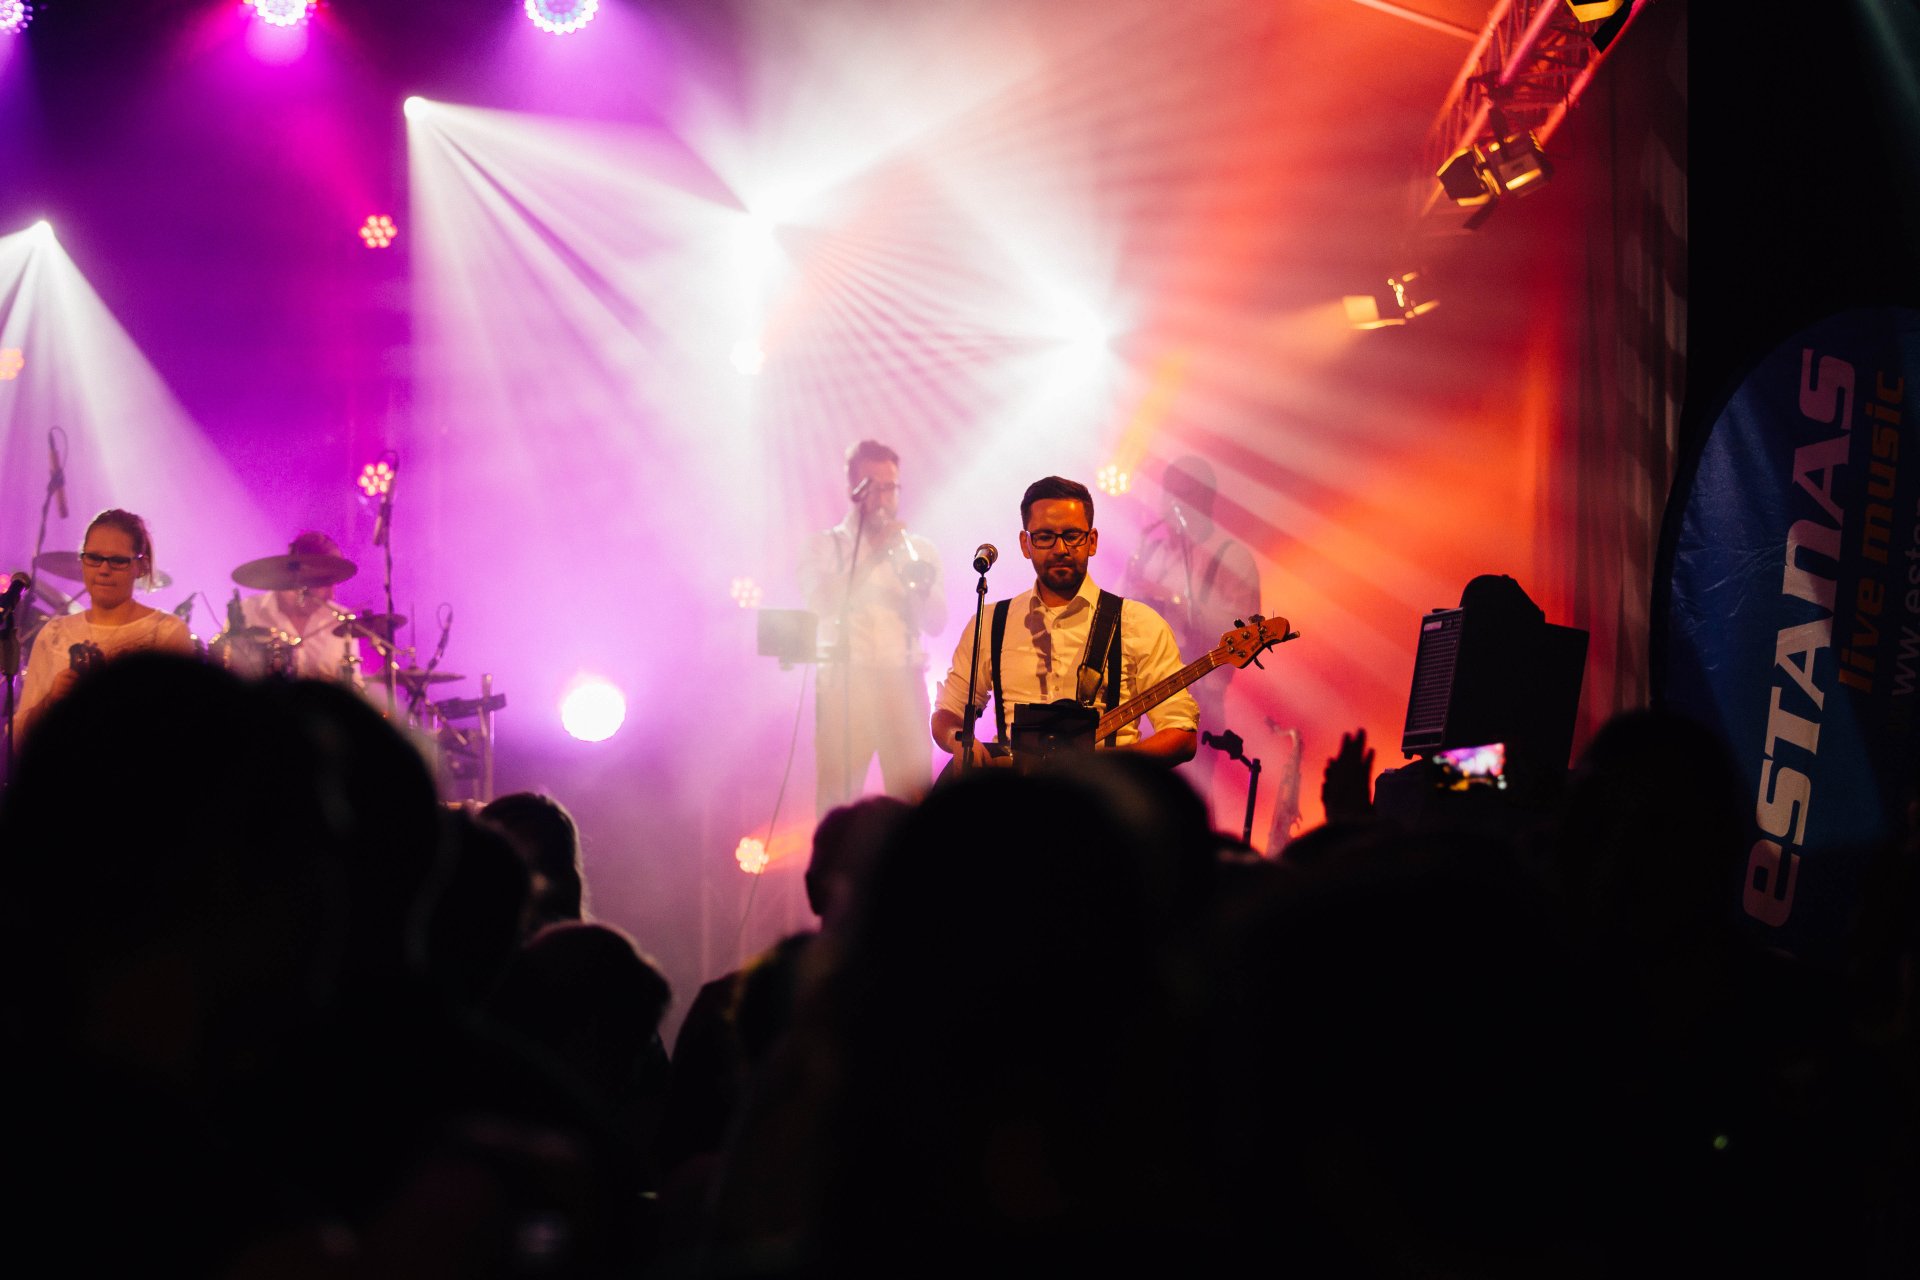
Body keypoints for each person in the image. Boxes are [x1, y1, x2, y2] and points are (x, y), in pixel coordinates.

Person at [930, 476, 1197, 769]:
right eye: (1045, 537)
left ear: (1092, 541)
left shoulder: (1139, 623)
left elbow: (1181, 733)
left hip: (1103, 794)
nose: (1060, 549)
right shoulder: (992, 622)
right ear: (1025, 544)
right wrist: (959, 740)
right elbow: (947, 712)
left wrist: (1112, 766)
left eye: (1072, 535)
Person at [800, 440, 948, 809]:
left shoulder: (919, 550)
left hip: (905, 682)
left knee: (914, 800)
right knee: (837, 799)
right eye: (874, 487)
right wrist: (873, 556)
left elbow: (937, 623)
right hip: (846, 684)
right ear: (854, 489)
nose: (884, 498)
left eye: (891, 487)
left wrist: (917, 584)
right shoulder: (826, 545)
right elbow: (819, 603)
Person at [1122, 456, 1261, 799]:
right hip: (1139, 700)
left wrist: (1174, 599)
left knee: (1183, 802)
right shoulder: (1151, 550)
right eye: (1168, 493)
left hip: (1199, 703)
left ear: (1207, 499)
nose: (1173, 504)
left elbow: (1244, 629)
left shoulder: (1232, 556)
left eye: (1185, 494)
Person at [11, 508, 193, 741]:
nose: (104, 569)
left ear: (141, 566)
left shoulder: (167, 632)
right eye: (94, 558)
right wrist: (50, 702)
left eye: (117, 561)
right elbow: (19, 740)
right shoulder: (54, 633)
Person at [238, 530, 358, 682]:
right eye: (325, 584)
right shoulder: (247, 612)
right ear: (297, 577)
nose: (331, 596)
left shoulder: (342, 620)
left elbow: (354, 686)